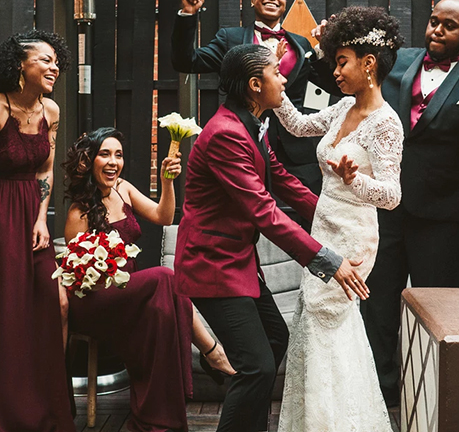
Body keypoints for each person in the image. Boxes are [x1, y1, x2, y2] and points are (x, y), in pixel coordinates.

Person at [174, 44, 369, 432]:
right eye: (276, 73)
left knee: (275, 339)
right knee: (257, 366)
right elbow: (263, 210)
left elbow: (280, 178)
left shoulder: (249, 122)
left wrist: (335, 219)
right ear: (254, 85)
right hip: (212, 265)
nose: (283, 79)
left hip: (237, 262)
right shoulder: (225, 134)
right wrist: (327, 259)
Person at [351, 0, 459, 406]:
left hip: (444, 219)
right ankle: (381, 396)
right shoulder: (398, 62)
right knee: (378, 307)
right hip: (387, 210)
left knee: (436, 309)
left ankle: (429, 398)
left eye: (449, 25)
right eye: (433, 21)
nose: (437, 30)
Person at [274, 6, 404, 432]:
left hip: (353, 239)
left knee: (321, 318)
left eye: (342, 62)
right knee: (319, 326)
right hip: (323, 230)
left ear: (369, 64)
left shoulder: (386, 124)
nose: (335, 71)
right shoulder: (343, 106)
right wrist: (275, 88)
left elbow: (392, 196)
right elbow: (298, 126)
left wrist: (355, 180)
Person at [62, 127, 235, 432]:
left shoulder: (123, 189)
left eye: (118, 155)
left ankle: (159, 417)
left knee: (163, 309)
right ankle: (212, 351)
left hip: (131, 294)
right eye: (105, 154)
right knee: (166, 276)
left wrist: (167, 182)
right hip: (96, 301)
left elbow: (163, 217)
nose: (113, 161)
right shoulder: (79, 212)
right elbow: (78, 278)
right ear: (89, 161)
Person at [171, 0, 337, 193]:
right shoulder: (230, 39)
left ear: (285, 1)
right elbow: (186, 62)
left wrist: (327, 47)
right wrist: (188, 14)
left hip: (296, 153)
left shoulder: (301, 44)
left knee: (306, 208)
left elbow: (334, 86)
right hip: (243, 145)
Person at [0, 31, 75, 432]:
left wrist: (42, 217)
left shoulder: (51, 110)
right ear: (19, 65)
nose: (54, 67)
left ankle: (47, 402)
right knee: (9, 308)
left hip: (32, 213)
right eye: (44, 60)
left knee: (54, 302)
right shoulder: (0, 107)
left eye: (56, 61)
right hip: (2, 210)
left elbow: (46, 168)